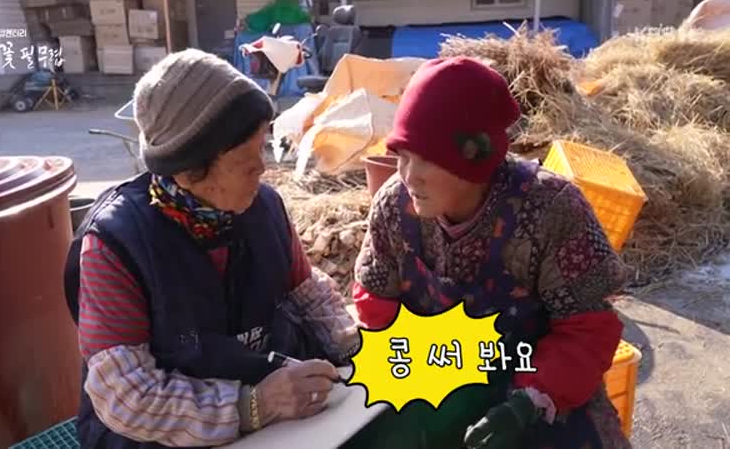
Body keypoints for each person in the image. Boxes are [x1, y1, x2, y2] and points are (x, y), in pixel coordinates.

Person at [63, 48, 361, 449]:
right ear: (189, 171)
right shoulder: (116, 244)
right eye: (245, 159)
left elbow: (310, 295)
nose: (263, 168)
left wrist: (357, 349)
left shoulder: (264, 208)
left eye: (262, 147)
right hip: (153, 437)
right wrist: (251, 406)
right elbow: (127, 395)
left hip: (263, 400)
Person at [350, 56, 632, 449]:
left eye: (426, 159)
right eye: (402, 156)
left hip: (540, 390)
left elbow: (588, 329)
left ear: (474, 159)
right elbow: (376, 304)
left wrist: (528, 402)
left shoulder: (552, 208)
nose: (409, 176)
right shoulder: (394, 207)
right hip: (437, 380)